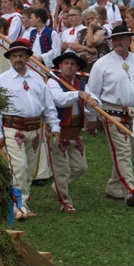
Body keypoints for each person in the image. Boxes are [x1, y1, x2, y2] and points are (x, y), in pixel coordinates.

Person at [0, 39, 61, 220]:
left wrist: (54, 126)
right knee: (19, 167)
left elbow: (48, 106)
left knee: (29, 169)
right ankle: (18, 206)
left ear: (27, 58)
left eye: (21, 56)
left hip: (35, 129)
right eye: (14, 56)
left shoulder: (38, 79)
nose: (18, 59)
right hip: (12, 128)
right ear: (9, 58)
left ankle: (21, 200)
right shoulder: (2, 80)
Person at [88, 25, 134, 207]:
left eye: (122, 39)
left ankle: (114, 186)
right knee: (122, 151)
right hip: (111, 112)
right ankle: (130, 190)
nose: (118, 42)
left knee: (132, 151)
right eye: (115, 39)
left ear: (130, 40)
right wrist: (91, 118)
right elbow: (92, 94)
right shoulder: (101, 64)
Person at [47, 52, 100, 213]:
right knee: (61, 169)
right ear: (60, 66)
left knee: (80, 167)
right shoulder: (53, 82)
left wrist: (93, 104)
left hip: (76, 132)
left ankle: (58, 186)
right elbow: (60, 100)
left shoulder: (82, 84)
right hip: (58, 131)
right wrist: (78, 94)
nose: (69, 66)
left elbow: (93, 100)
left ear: (77, 68)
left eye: (72, 64)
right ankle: (65, 202)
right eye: (66, 63)